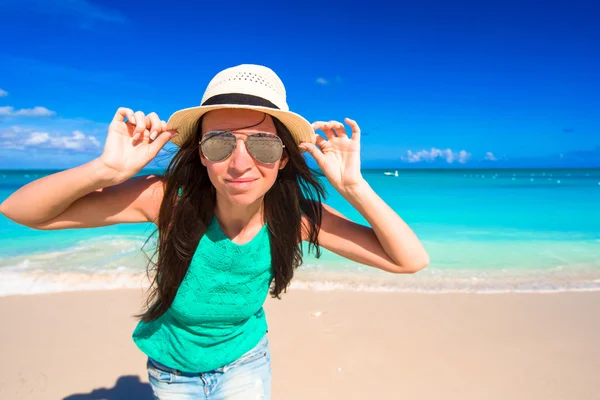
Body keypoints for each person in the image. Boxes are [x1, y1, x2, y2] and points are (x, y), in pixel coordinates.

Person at [0, 64, 429, 399]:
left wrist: (354, 187)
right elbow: (21, 211)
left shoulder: (294, 217)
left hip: (246, 360)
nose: (240, 164)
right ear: (201, 156)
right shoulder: (168, 200)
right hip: (172, 370)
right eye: (220, 143)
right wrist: (106, 170)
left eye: (261, 144)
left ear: (282, 159)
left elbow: (409, 260)